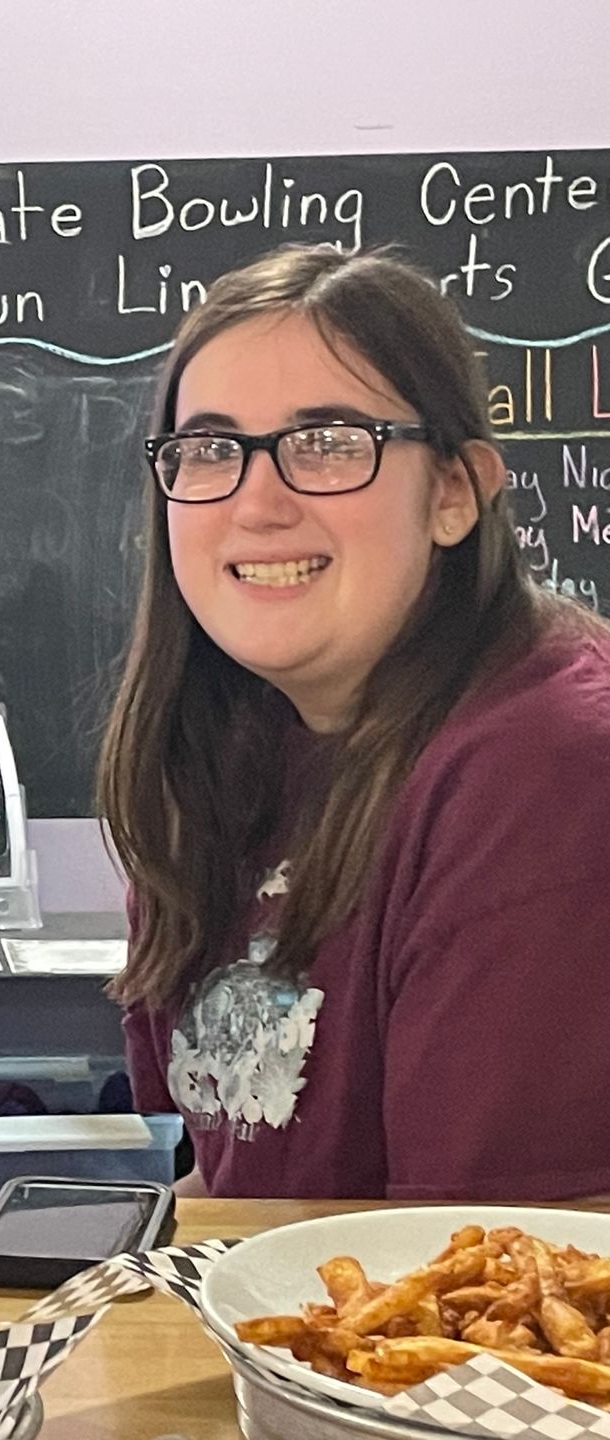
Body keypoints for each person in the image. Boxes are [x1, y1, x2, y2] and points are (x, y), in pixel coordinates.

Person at [99, 245, 610, 1202]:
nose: (256, 502)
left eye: (330, 440)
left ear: (455, 492)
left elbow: (498, 1281)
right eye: (209, 448)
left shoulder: (552, 772)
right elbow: (231, 1178)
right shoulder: (226, 742)